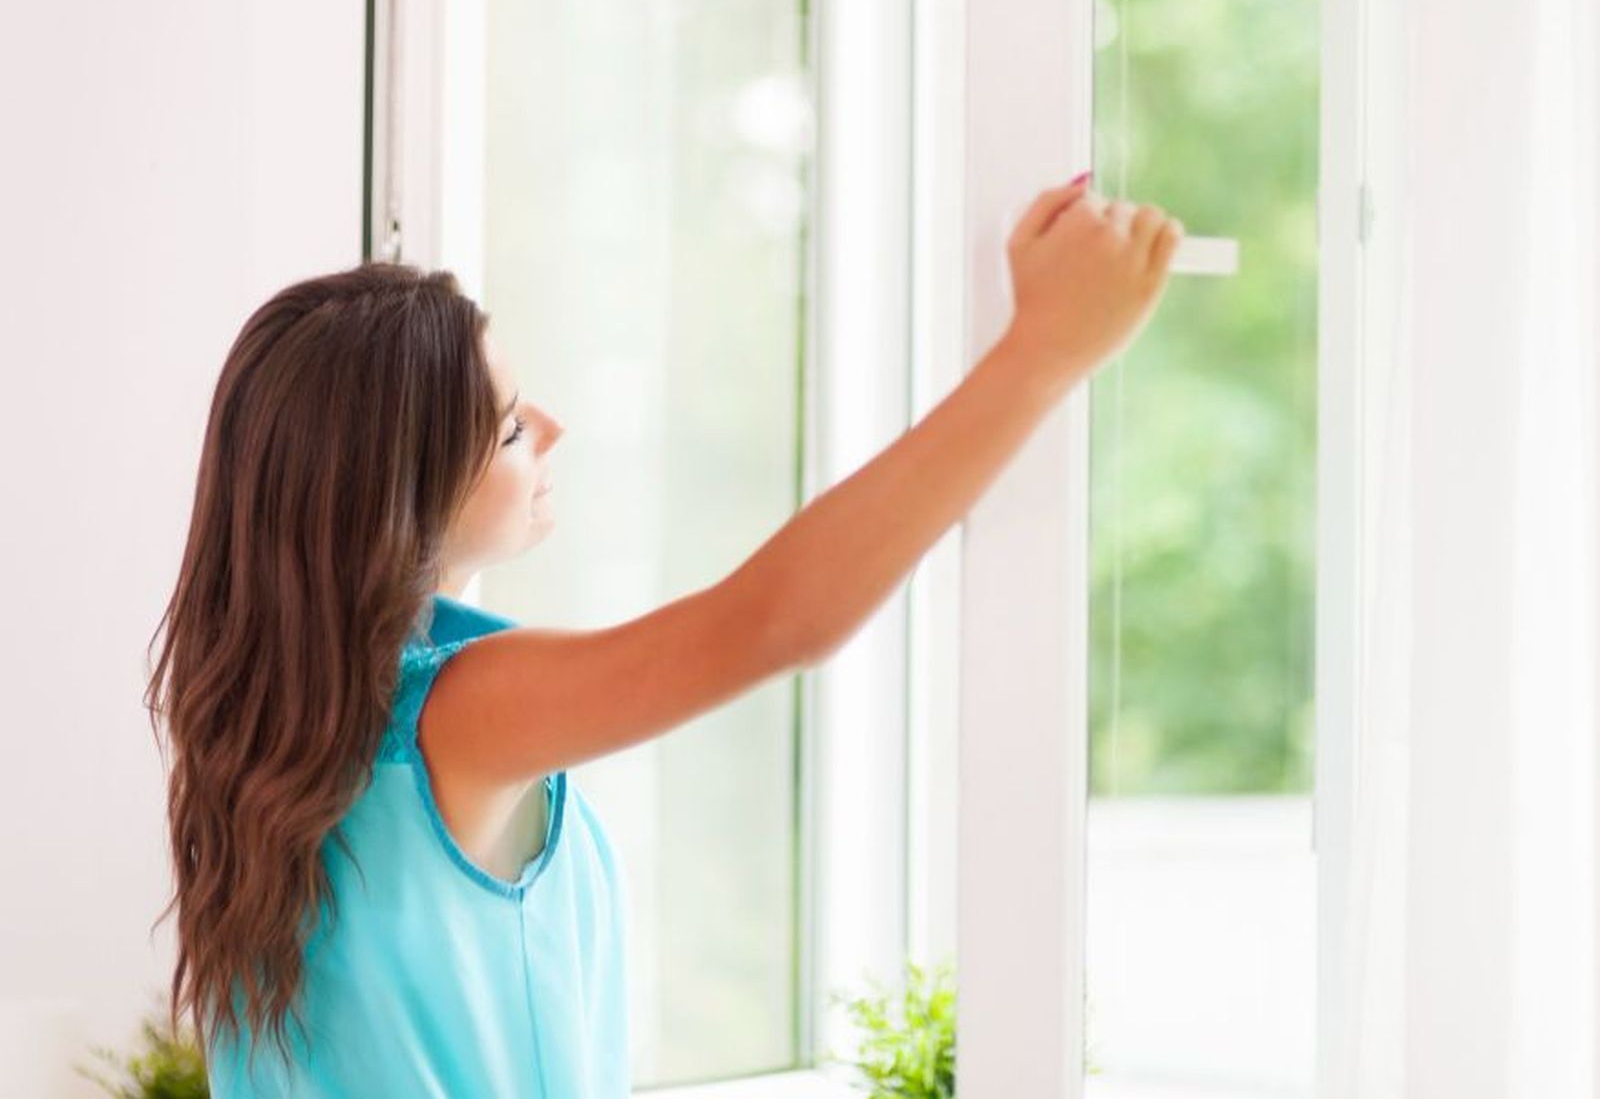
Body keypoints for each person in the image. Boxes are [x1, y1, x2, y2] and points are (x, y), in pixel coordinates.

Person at [145, 171, 1181, 1096]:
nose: (550, 428)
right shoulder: (459, 715)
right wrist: (1041, 354)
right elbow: (778, 620)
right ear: (399, 495)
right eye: (508, 426)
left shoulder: (260, 727)